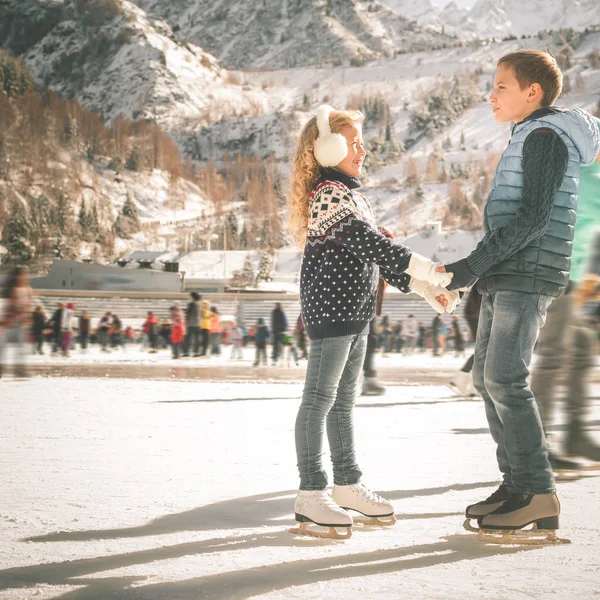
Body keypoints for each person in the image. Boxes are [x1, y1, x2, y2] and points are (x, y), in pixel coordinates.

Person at [441, 51, 600, 537]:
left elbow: (532, 219)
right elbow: (514, 218)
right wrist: (482, 270)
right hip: (507, 273)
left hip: (527, 273)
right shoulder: (529, 134)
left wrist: (470, 267)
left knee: (506, 379)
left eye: (501, 85)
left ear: (532, 92)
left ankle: (537, 490)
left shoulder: (547, 137)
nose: (492, 95)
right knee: (490, 381)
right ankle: (516, 485)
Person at [288, 104, 458, 537]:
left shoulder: (352, 196)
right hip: (332, 313)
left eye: (362, 142)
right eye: (353, 143)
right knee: (319, 400)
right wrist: (426, 270)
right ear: (328, 147)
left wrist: (424, 287)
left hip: (356, 313)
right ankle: (311, 493)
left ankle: (346, 484)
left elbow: (376, 253)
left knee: (342, 404)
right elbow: (368, 242)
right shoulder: (328, 193)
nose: (362, 150)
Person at [530, 120, 600, 468]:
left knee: (582, 348)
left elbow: (586, 227)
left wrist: (589, 276)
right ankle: (538, 446)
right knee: (556, 352)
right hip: (556, 273)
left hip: (570, 277)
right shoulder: (585, 174)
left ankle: (574, 432)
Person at [0, 266, 33, 378]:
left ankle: (20, 370)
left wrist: (27, 316)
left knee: (21, 347)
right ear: (17, 276)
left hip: (21, 323)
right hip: (8, 322)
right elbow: (9, 306)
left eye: (26, 274)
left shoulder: (28, 290)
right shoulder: (10, 290)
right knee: (2, 347)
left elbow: (28, 306)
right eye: (23, 274)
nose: (25, 277)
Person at [450, 287, 482, 396]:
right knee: (485, 350)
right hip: (479, 313)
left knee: (484, 350)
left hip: (477, 312)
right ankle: (473, 384)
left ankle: (470, 383)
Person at [184, 291, 202, 357]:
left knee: (188, 338)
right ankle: (196, 352)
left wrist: (186, 321)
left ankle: (186, 352)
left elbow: (188, 314)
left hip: (190, 324)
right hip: (197, 324)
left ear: (192, 297)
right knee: (196, 339)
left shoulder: (190, 304)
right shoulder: (199, 304)